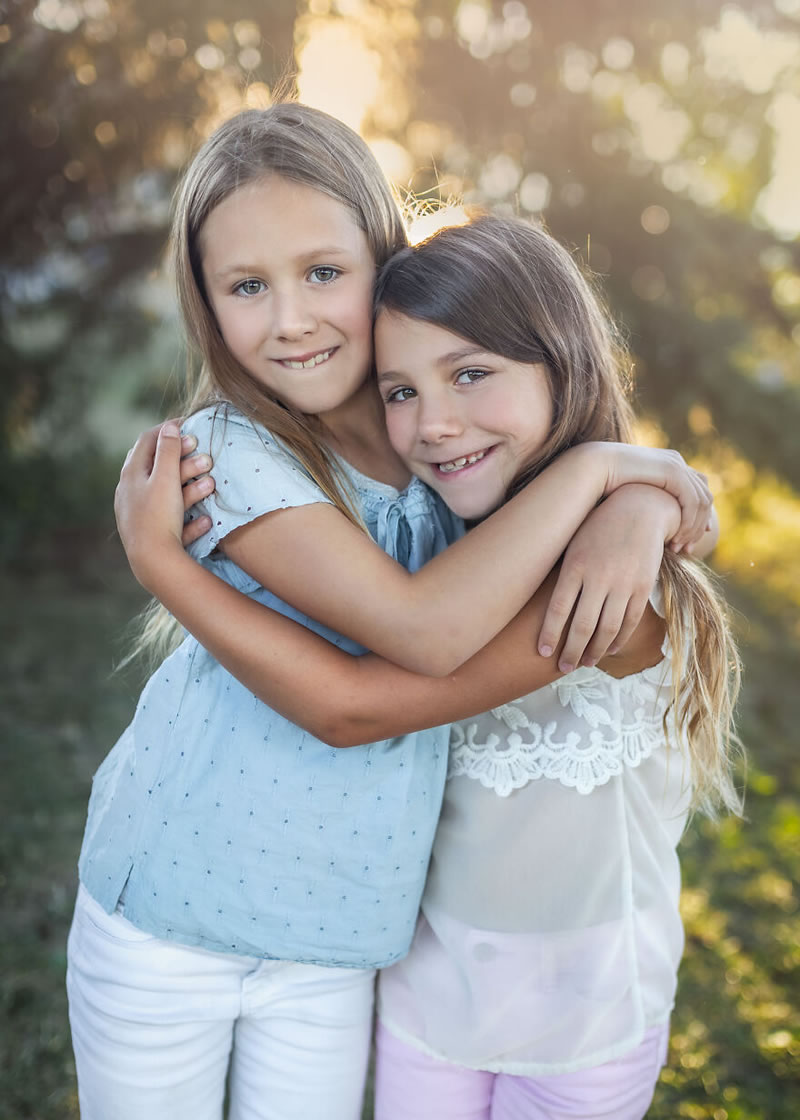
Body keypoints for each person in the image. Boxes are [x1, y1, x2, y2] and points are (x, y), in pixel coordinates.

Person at [77, 102, 714, 1120]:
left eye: (323, 272)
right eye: (248, 286)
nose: (290, 318)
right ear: (205, 302)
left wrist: (641, 489)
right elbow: (406, 648)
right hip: (168, 914)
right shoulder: (235, 451)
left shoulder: (436, 447)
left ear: (383, 260)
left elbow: (521, 454)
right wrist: (620, 471)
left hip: (343, 939)